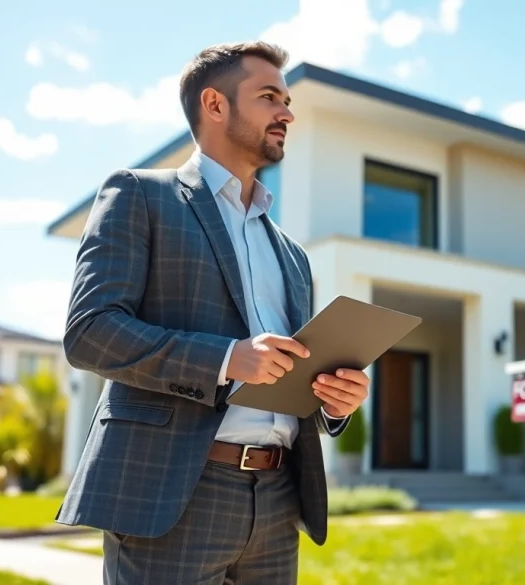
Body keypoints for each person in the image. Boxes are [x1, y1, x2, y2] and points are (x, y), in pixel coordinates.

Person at [55, 41, 370, 584]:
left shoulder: (292, 254)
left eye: (288, 99)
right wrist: (226, 359)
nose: (287, 112)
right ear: (215, 104)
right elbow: (90, 332)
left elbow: (288, 378)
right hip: (171, 492)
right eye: (269, 96)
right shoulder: (139, 196)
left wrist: (333, 401)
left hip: (276, 502)